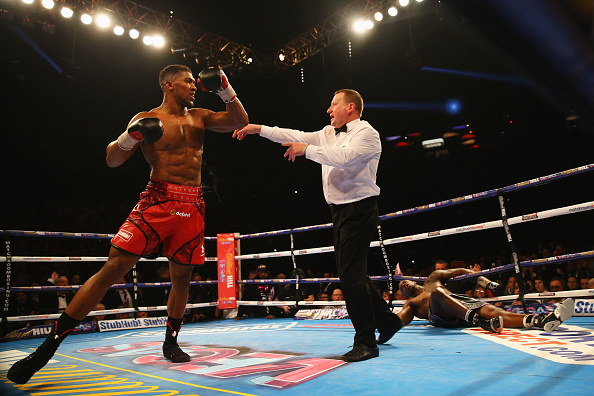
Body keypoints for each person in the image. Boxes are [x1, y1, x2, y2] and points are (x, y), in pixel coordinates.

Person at [8, 64, 248, 384]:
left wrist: (225, 89)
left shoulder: (200, 116)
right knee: (112, 269)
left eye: (195, 82)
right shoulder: (147, 117)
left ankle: (171, 341)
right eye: (188, 82)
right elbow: (112, 159)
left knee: (182, 278)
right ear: (168, 85)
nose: (194, 86)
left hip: (192, 205)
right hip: (157, 200)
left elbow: (239, 121)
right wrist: (130, 136)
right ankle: (47, 348)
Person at [233, 89, 403, 362]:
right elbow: (292, 134)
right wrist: (258, 129)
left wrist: (307, 151)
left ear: (350, 107)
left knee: (350, 276)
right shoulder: (327, 133)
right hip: (339, 211)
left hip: (359, 209)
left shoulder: (367, 133)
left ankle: (366, 342)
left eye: (333, 104)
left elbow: (343, 158)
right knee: (352, 273)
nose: (328, 109)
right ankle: (388, 321)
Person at [396, 268, 574, 333]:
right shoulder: (411, 304)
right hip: (442, 316)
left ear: (414, 279)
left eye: (404, 282)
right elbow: (398, 320)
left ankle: (541, 320)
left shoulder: (433, 278)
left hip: (460, 304)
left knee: (497, 312)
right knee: (437, 294)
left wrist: (486, 283)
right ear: (404, 294)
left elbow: (461, 271)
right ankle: (480, 321)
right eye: (400, 287)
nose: (403, 284)